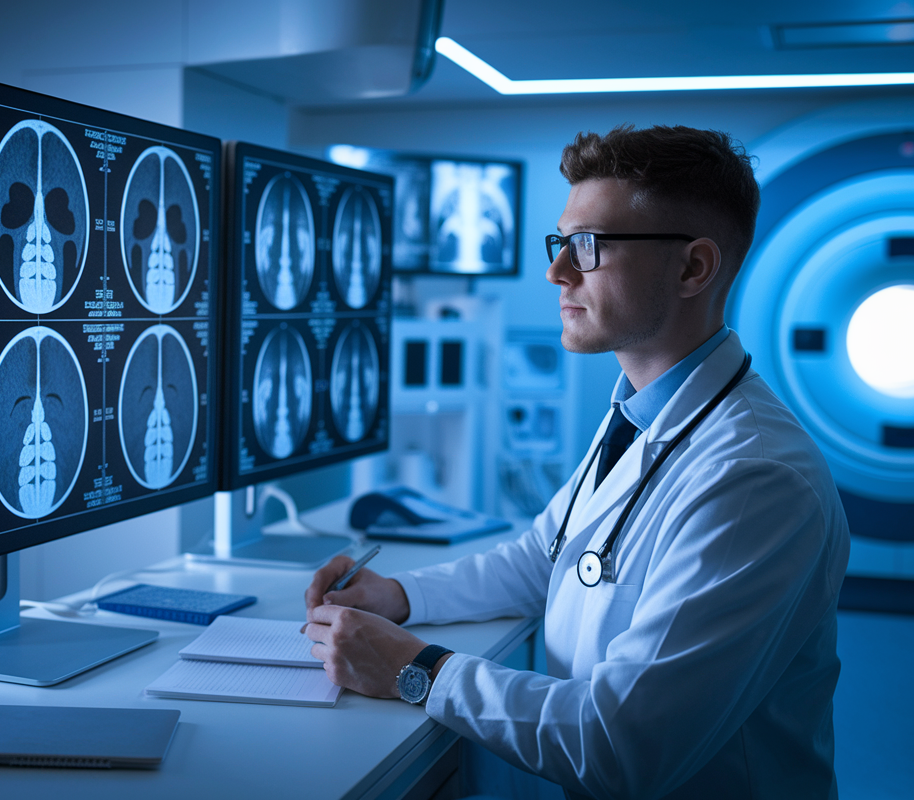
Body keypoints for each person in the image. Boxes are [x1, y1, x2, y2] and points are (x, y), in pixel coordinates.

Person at [303, 125, 851, 799]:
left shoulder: (754, 481)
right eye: (560, 243)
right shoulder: (640, 413)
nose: (556, 271)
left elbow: (623, 746)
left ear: (692, 268)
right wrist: (401, 596)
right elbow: (544, 557)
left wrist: (413, 669)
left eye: (587, 246)